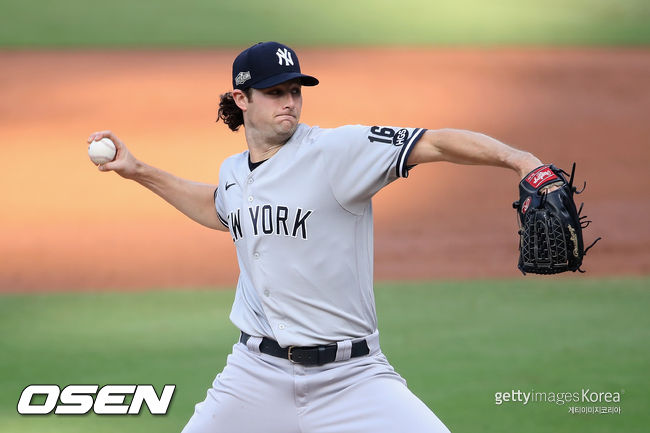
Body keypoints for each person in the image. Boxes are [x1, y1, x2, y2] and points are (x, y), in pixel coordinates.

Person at [88, 41, 546, 433]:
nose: (288, 101)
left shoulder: (337, 152)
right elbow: (219, 208)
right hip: (255, 373)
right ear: (241, 98)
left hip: (353, 378)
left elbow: (436, 142)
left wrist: (520, 160)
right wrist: (138, 171)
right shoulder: (233, 173)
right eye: (273, 92)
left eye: (294, 91)